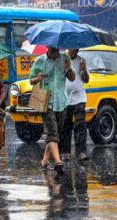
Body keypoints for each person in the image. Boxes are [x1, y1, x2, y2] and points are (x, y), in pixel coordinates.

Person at [30, 46, 75, 176]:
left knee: (55, 135)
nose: (55, 51)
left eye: (56, 49)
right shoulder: (40, 61)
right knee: (52, 133)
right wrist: (37, 78)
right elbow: (31, 80)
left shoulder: (65, 59)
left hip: (61, 101)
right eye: (52, 49)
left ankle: (44, 160)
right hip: (46, 102)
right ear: (47, 47)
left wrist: (68, 69)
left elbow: (72, 78)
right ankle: (58, 162)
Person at [60, 49, 89, 161]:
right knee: (65, 125)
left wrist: (84, 70)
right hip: (65, 98)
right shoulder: (63, 60)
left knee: (80, 125)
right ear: (68, 49)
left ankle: (81, 152)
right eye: (72, 49)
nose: (74, 51)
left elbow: (86, 80)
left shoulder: (82, 60)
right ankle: (65, 151)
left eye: (76, 49)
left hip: (79, 97)